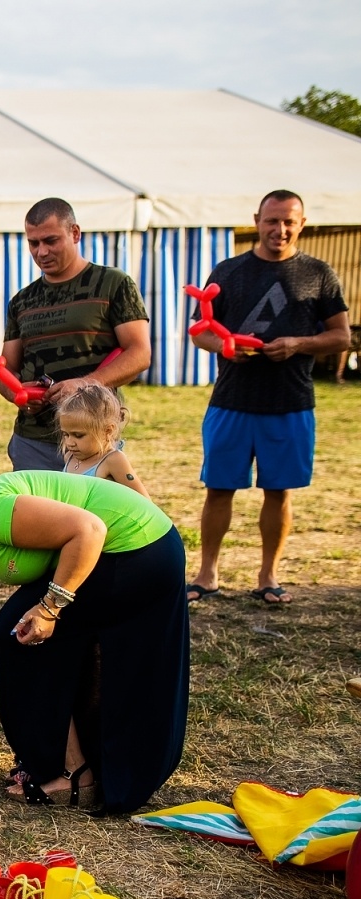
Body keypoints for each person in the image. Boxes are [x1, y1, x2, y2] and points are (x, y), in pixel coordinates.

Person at [0, 468, 187, 815]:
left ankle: (71, 773)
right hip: (114, 548)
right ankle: (68, 764)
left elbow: (89, 530)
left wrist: (49, 608)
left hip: (138, 546)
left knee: (14, 636)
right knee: (22, 636)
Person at [187, 190, 350, 606]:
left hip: (290, 402)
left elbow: (341, 336)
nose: (280, 229)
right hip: (231, 400)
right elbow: (201, 330)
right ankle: (206, 573)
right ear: (257, 219)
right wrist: (226, 348)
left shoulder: (318, 273)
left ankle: (268, 575)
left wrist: (298, 343)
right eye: (272, 220)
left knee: (279, 492)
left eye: (289, 222)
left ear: (302, 223)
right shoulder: (228, 270)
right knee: (218, 489)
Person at [1, 198, 152, 472]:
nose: (41, 251)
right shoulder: (21, 301)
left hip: (94, 438)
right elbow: (6, 369)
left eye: (50, 240)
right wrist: (20, 395)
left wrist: (86, 383)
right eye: (33, 243)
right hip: (34, 441)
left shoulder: (113, 284)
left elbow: (139, 353)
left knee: (92, 514)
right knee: (35, 515)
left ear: (75, 233)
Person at [58, 384, 149, 496]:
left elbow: (144, 501)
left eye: (78, 435)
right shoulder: (70, 458)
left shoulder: (113, 460)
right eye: (65, 435)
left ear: (107, 431)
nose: (69, 443)